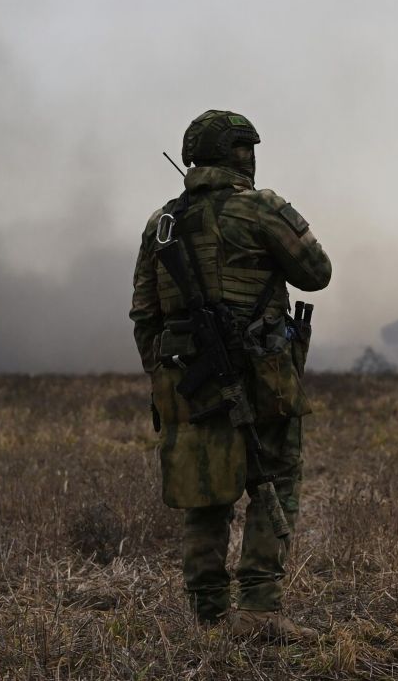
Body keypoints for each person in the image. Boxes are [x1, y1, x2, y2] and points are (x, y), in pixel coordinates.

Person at [129, 110, 332, 641]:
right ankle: (261, 610)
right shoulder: (261, 209)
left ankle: (209, 617)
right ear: (242, 153)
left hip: (187, 382)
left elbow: (144, 314)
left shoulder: (162, 224)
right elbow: (318, 274)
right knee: (272, 482)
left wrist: (165, 374)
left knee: (205, 493)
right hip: (263, 376)